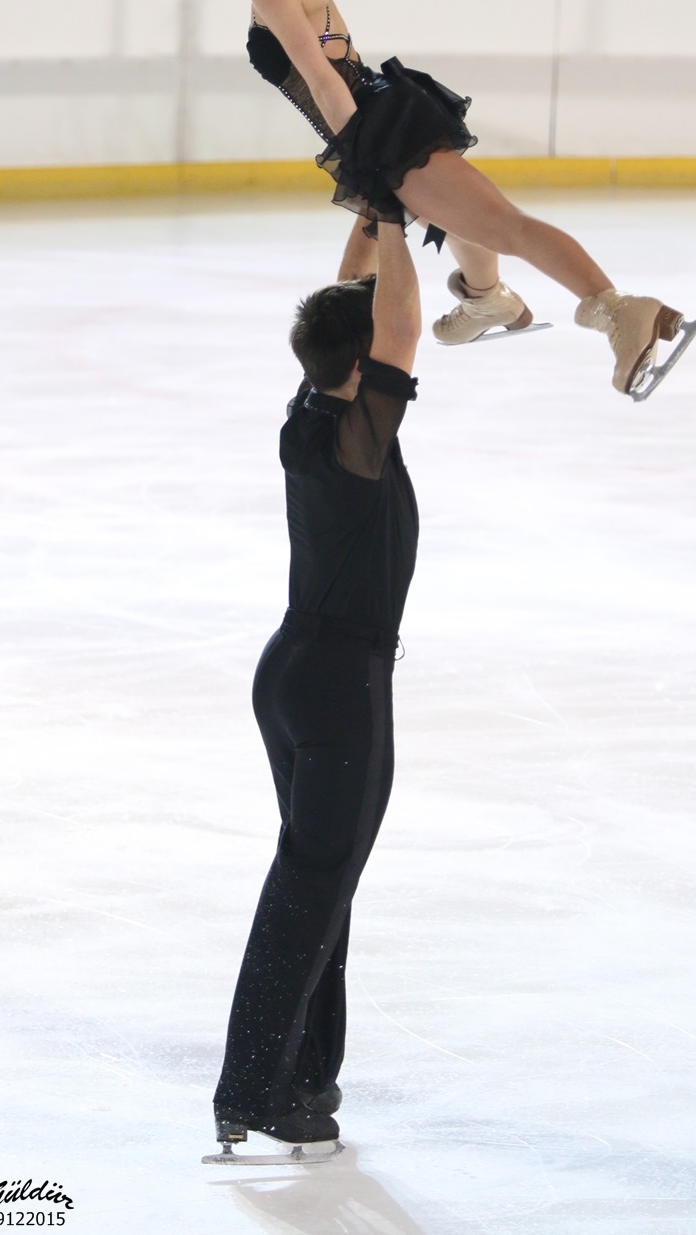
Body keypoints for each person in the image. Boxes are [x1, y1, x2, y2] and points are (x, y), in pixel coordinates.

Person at [211, 0, 696, 400]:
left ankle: (621, 312)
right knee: (440, 231)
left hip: (375, 129)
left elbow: (323, 81)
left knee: (503, 227)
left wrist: (366, 165)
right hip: (379, 117)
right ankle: (487, 298)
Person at [212, 217, 420, 1153]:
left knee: (322, 882)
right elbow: (399, 327)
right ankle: (253, 1089)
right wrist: (406, 217)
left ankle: (304, 1073)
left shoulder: (314, 413)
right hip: (341, 691)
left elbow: (358, 315)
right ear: (364, 365)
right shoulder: (358, 438)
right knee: (310, 888)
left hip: (293, 673)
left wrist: (373, 223)